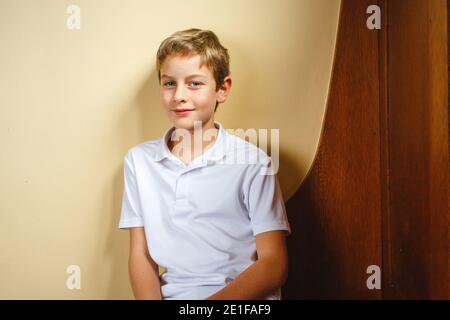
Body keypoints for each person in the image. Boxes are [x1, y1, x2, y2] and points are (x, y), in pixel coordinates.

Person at [118, 28, 291, 300]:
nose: (179, 96)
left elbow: (274, 265)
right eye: (169, 83)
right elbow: (140, 255)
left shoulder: (253, 163)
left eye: (194, 83)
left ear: (222, 89)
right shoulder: (138, 162)